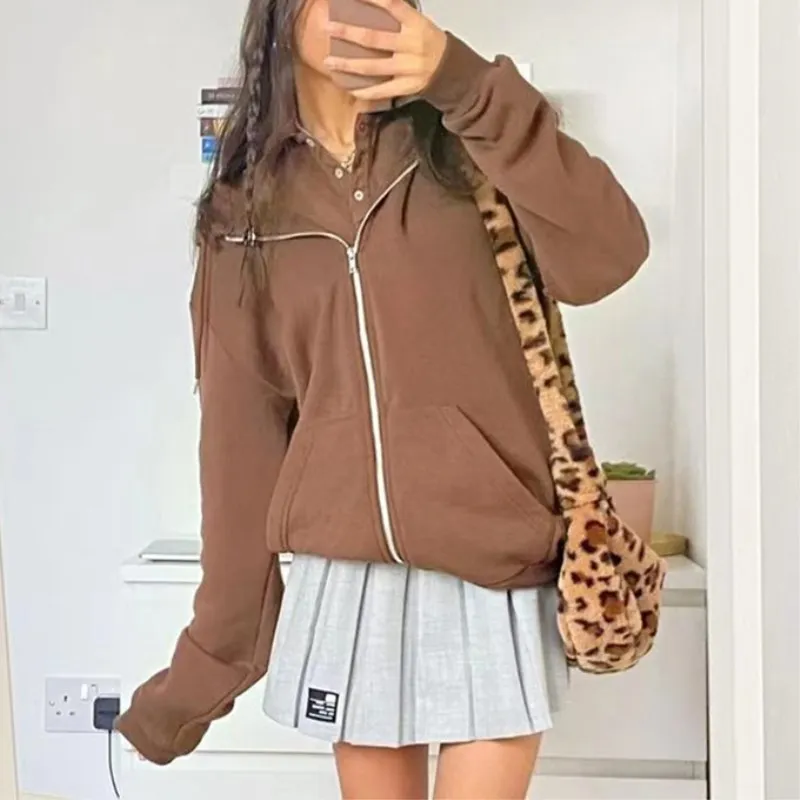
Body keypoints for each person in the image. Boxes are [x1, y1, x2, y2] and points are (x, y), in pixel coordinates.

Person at [116, 0, 649, 796]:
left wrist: (463, 81)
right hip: (348, 577)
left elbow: (610, 254)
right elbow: (240, 447)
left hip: (492, 564)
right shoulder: (243, 211)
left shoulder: (469, 145)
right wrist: (201, 674)